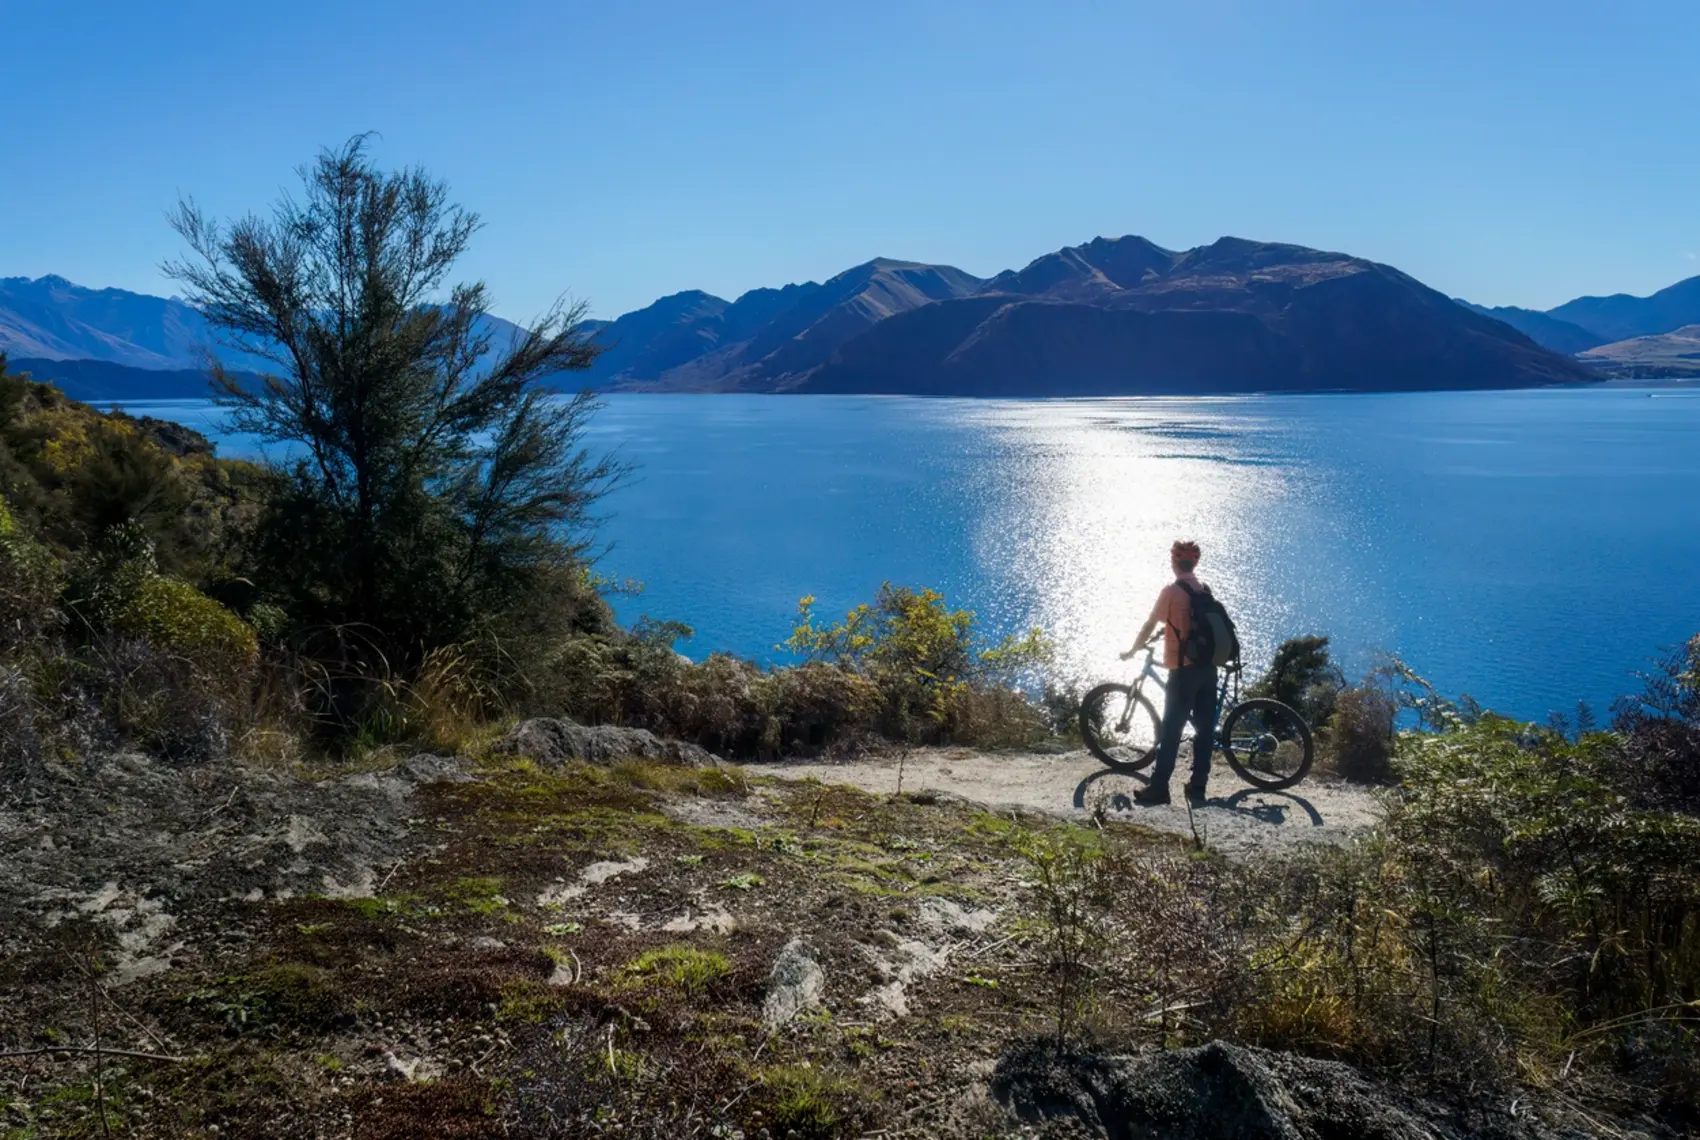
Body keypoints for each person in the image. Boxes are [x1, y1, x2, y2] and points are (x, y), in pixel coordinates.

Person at [1120, 540, 1217, 805]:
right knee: (1205, 730)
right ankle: (1198, 787)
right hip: (1209, 669)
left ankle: (1159, 788)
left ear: (1174, 563)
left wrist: (1132, 650)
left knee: (1171, 730)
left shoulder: (1172, 591)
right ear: (1194, 564)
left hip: (1183, 670)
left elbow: (1150, 624)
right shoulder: (1204, 589)